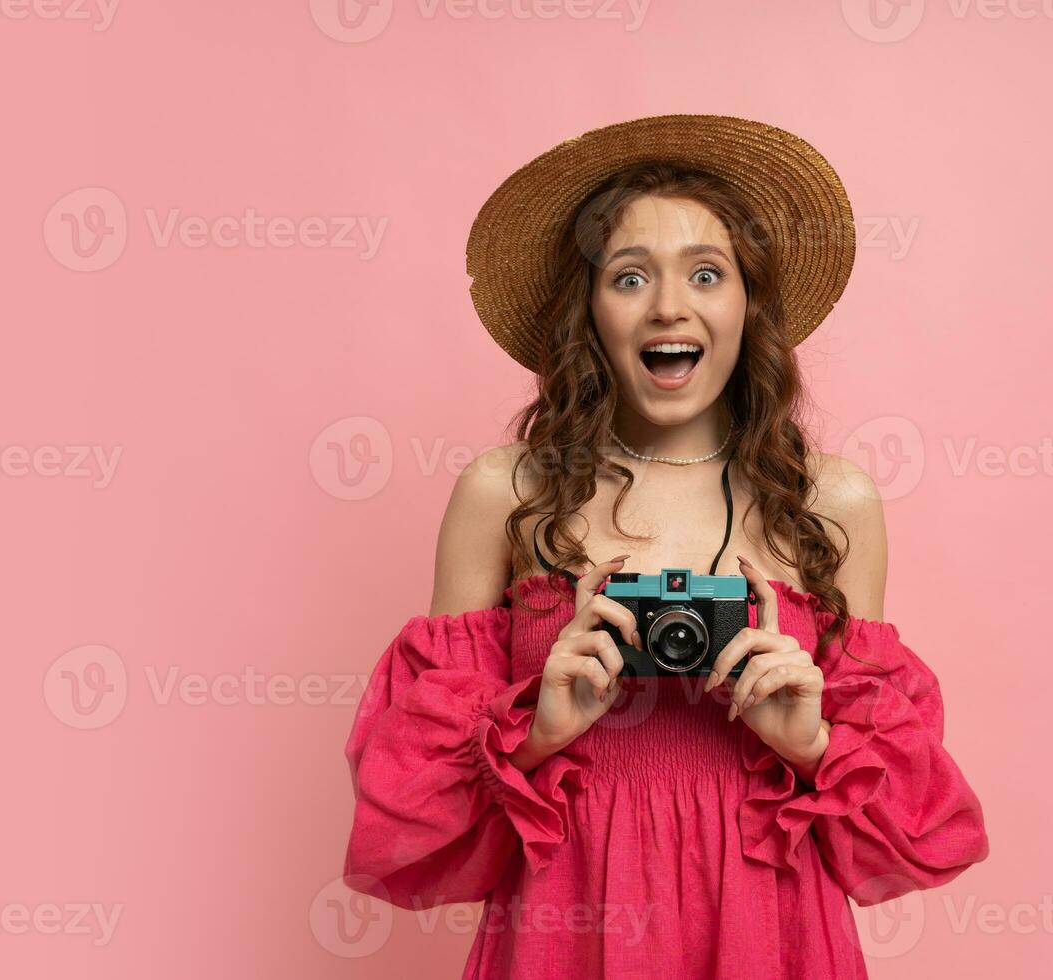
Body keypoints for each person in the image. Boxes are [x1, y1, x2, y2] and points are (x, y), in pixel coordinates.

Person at [341, 113, 990, 978]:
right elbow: (407, 807)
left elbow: (914, 825)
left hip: (769, 929)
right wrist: (537, 731)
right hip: (565, 928)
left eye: (707, 273)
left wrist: (811, 745)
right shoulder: (507, 493)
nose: (669, 306)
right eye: (630, 276)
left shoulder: (833, 504)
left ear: (748, 305)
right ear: (589, 311)